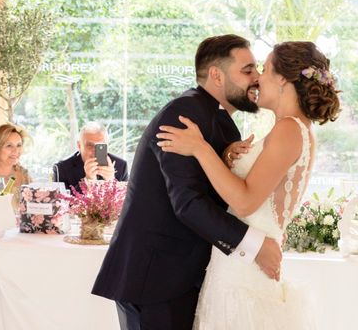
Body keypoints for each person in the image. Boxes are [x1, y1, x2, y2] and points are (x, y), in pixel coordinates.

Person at [92, 34, 283, 330]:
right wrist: (254, 245)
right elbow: (188, 202)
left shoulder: (220, 121)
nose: (256, 78)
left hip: (180, 275)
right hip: (155, 279)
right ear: (216, 75)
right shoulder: (183, 113)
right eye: (247, 70)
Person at [156, 41, 341, 329]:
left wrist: (200, 148)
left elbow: (245, 201)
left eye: (264, 69)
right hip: (239, 263)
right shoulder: (289, 129)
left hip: (245, 271)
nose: (258, 78)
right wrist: (227, 156)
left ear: (282, 79)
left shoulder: (289, 129)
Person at [53, 122, 128, 192]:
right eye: (90, 146)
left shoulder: (120, 166)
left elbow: (127, 202)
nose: (95, 151)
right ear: (79, 146)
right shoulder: (62, 168)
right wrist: (87, 181)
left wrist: (111, 182)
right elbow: (62, 204)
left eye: (100, 146)